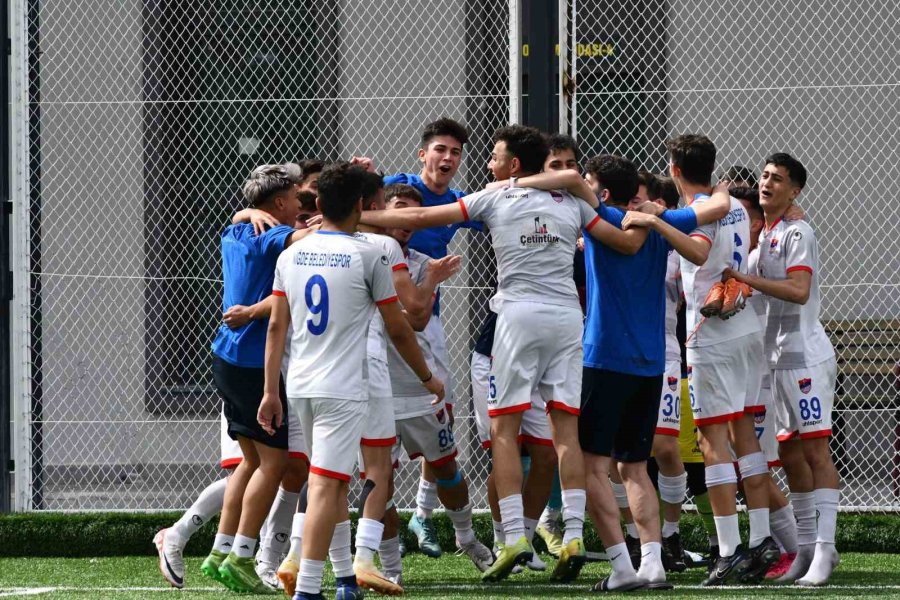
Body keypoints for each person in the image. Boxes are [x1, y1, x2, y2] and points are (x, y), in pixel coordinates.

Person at [360, 125, 648, 584]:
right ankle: (573, 533)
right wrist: (645, 217)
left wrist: (348, 221)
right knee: (566, 431)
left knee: (505, 428)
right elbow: (623, 241)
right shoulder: (573, 203)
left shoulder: (492, 197)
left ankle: (514, 535)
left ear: (514, 164)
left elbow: (416, 220)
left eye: (494, 158)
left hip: (517, 317)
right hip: (568, 320)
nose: (488, 165)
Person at [258, 163, 444, 600]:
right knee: (327, 483)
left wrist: (270, 391)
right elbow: (399, 326)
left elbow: (275, 328)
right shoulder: (371, 253)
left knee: (334, 481)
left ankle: (344, 579)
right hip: (344, 388)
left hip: (300, 384)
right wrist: (427, 377)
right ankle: (307, 588)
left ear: (318, 205)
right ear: (363, 206)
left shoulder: (290, 254)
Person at [622, 134, 780, 586]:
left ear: (673, 168)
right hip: (745, 326)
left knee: (713, 441)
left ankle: (729, 549)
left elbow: (697, 250)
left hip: (711, 332)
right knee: (743, 435)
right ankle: (761, 540)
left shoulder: (697, 211)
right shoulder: (725, 202)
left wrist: (656, 224)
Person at [724, 153, 840, 586]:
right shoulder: (763, 239)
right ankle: (805, 550)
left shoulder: (798, 231)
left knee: (815, 452)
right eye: (765, 176)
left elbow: (798, 289)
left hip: (805, 357)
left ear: (795, 192)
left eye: (778, 179)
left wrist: (745, 280)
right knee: (790, 455)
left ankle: (826, 552)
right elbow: (750, 298)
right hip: (775, 361)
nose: (767, 183)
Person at [200, 164, 314, 594]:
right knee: (274, 463)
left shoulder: (236, 232)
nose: (300, 201)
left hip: (225, 359)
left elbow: (241, 218)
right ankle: (243, 557)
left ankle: (219, 552)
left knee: (248, 463)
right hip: (251, 363)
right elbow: (308, 238)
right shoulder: (271, 238)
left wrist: (243, 213)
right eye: (294, 195)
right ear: (279, 202)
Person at [383, 118, 481, 553]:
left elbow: (503, 215)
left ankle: (422, 518)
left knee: (444, 418)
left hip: (425, 321)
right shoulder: (394, 189)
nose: (447, 158)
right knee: (376, 451)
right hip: (380, 326)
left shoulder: (459, 203)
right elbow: (334, 201)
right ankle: (373, 547)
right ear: (423, 154)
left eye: (455, 153)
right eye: (440, 149)